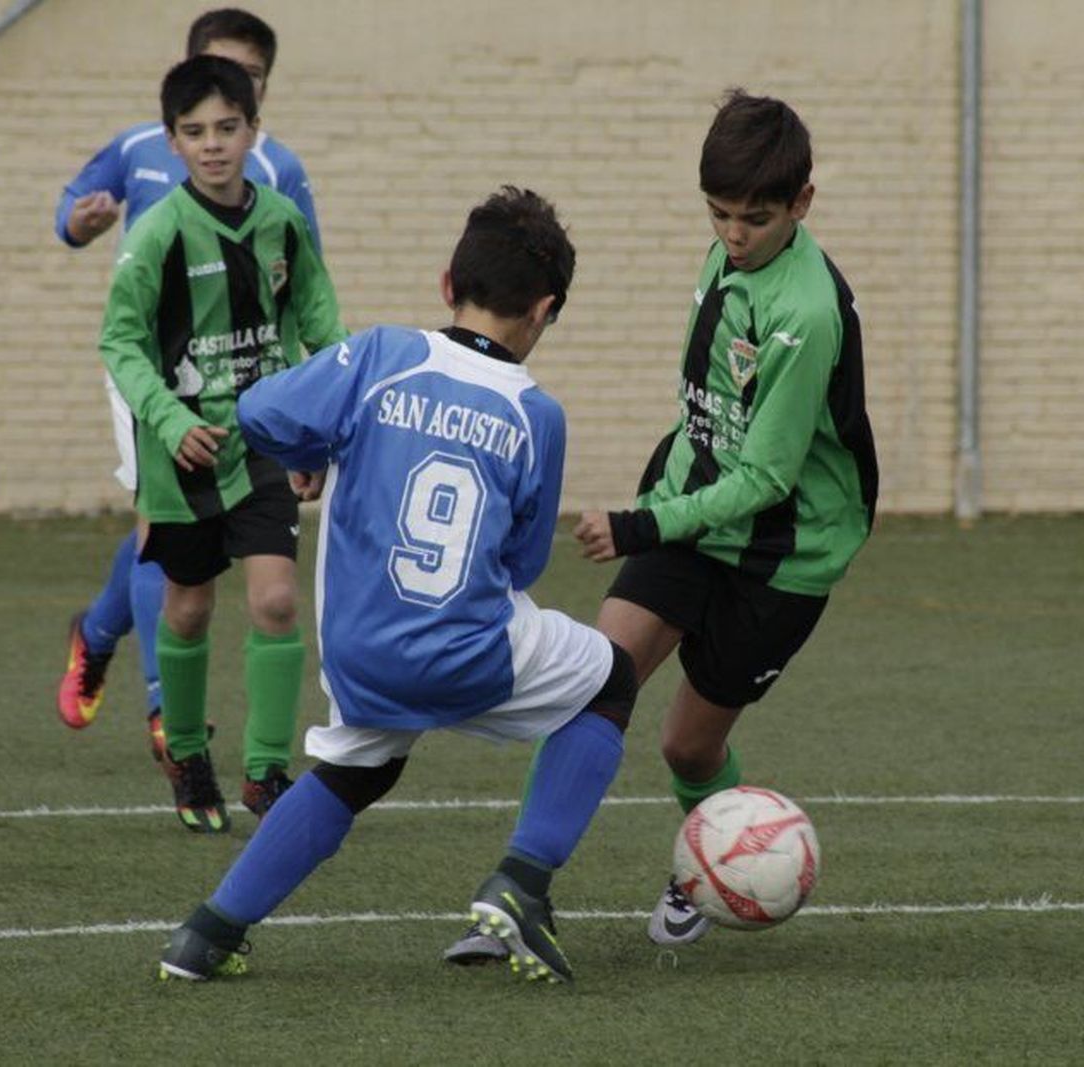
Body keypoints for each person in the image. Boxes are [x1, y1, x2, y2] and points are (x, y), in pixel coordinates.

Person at [156, 186, 638, 986]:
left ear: (448, 282)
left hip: (359, 653)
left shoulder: (378, 356)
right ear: (546, 310)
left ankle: (207, 933)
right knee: (611, 676)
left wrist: (317, 445)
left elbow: (263, 412)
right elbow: (522, 565)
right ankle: (522, 881)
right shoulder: (536, 414)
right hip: (466, 649)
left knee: (359, 767)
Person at [449, 89, 877, 958]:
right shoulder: (726, 255)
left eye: (754, 219)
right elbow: (707, 412)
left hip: (782, 551)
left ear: (802, 204)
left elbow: (765, 475)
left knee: (687, 747)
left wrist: (641, 524)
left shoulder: (807, 312)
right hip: (692, 509)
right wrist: (665, 505)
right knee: (590, 682)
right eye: (717, 214)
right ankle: (519, 891)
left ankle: (704, 872)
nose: (732, 234)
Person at [56, 9, 324, 776]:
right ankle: (165, 713)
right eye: (198, 122)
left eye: (245, 89)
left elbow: (308, 289)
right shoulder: (144, 148)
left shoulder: (280, 176)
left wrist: (313, 413)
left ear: (258, 100)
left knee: (208, 562)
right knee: (162, 529)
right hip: (155, 378)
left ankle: (100, 634)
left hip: (252, 384)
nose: (214, 135)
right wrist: (78, 222)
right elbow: (70, 213)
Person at [101, 54, 346, 831]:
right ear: (172, 141)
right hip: (185, 455)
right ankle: (186, 752)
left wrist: (323, 427)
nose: (213, 144)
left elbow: (321, 323)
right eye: (195, 131)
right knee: (189, 608)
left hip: (266, 436)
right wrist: (170, 423)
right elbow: (120, 342)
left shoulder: (282, 219)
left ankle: (269, 771)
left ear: (253, 130)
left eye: (228, 128)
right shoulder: (158, 233)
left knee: (275, 599)